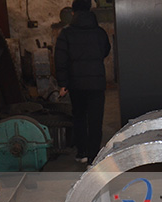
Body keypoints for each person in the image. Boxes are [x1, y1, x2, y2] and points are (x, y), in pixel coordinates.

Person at [55, 0, 111, 164]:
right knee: (95, 120)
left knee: (79, 117)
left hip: (76, 84)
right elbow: (105, 50)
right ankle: (93, 157)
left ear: (73, 13)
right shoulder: (100, 32)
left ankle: (82, 153)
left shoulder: (66, 33)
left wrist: (63, 83)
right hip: (96, 84)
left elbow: (60, 59)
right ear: (90, 10)